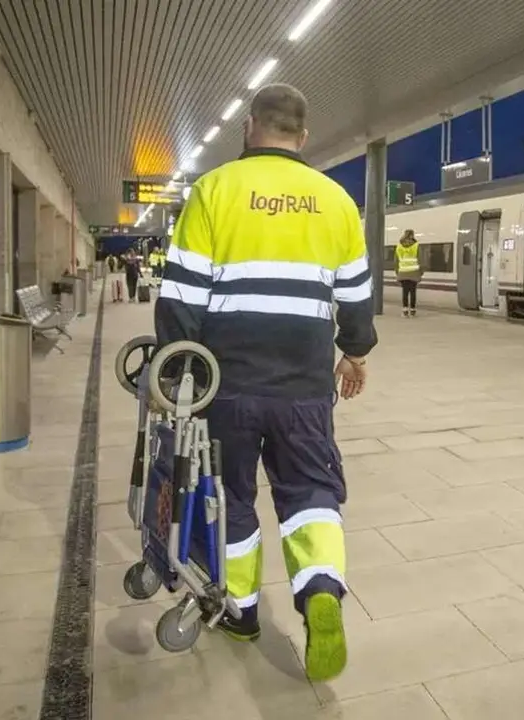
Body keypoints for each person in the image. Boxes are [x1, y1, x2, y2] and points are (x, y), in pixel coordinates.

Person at [153, 83, 376, 683]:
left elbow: (181, 293)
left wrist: (175, 372)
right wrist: (353, 353)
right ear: (303, 137)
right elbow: (355, 295)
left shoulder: (215, 189)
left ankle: (241, 610)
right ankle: (321, 590)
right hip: (304, 386)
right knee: (310, 493)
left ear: (249, 126)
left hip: (226, 383)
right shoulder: (336, 200)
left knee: (230, 499)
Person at [394, 229, 422, 317]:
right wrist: (421, 272)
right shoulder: (416, 245)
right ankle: (413, 310)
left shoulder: (399, 246)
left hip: (403, 272)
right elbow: (420, 259)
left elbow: (396, 261)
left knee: (405, 292)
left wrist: (397, 272)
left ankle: (405, 310)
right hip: (414, 272)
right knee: (413, 292)